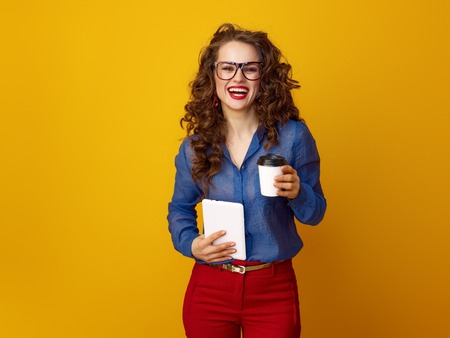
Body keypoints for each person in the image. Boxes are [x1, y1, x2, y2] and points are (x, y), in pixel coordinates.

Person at [168, 23, 326, 338]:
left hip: (272, 289)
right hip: (210, 287)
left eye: (249, 69)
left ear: (263, 77)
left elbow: (316, 213)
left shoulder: (294, 137)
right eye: (227, 68)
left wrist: (298, 192)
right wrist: (191, 244)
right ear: (212, 76)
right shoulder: (194, 148)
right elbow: (179, 208)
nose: (237, 78)